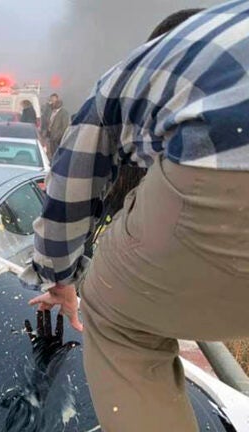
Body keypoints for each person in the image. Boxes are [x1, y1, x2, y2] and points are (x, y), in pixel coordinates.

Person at [22, 5, 248, 431]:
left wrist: (59, 277)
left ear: (157, 44)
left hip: (228, 161)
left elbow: (71, 184)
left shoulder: (139, 71)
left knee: (116, 318)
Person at [45, 94, 69, 160]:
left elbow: (64, 126)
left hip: (57, 137)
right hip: (50, 134)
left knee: (56, 151)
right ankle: (53, 159)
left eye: (55, 103)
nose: (53, 104)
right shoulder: (52, 111)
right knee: (51, 150)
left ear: (59, 104)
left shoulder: (64, 113)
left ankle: (56, 160)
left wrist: (58, 136)